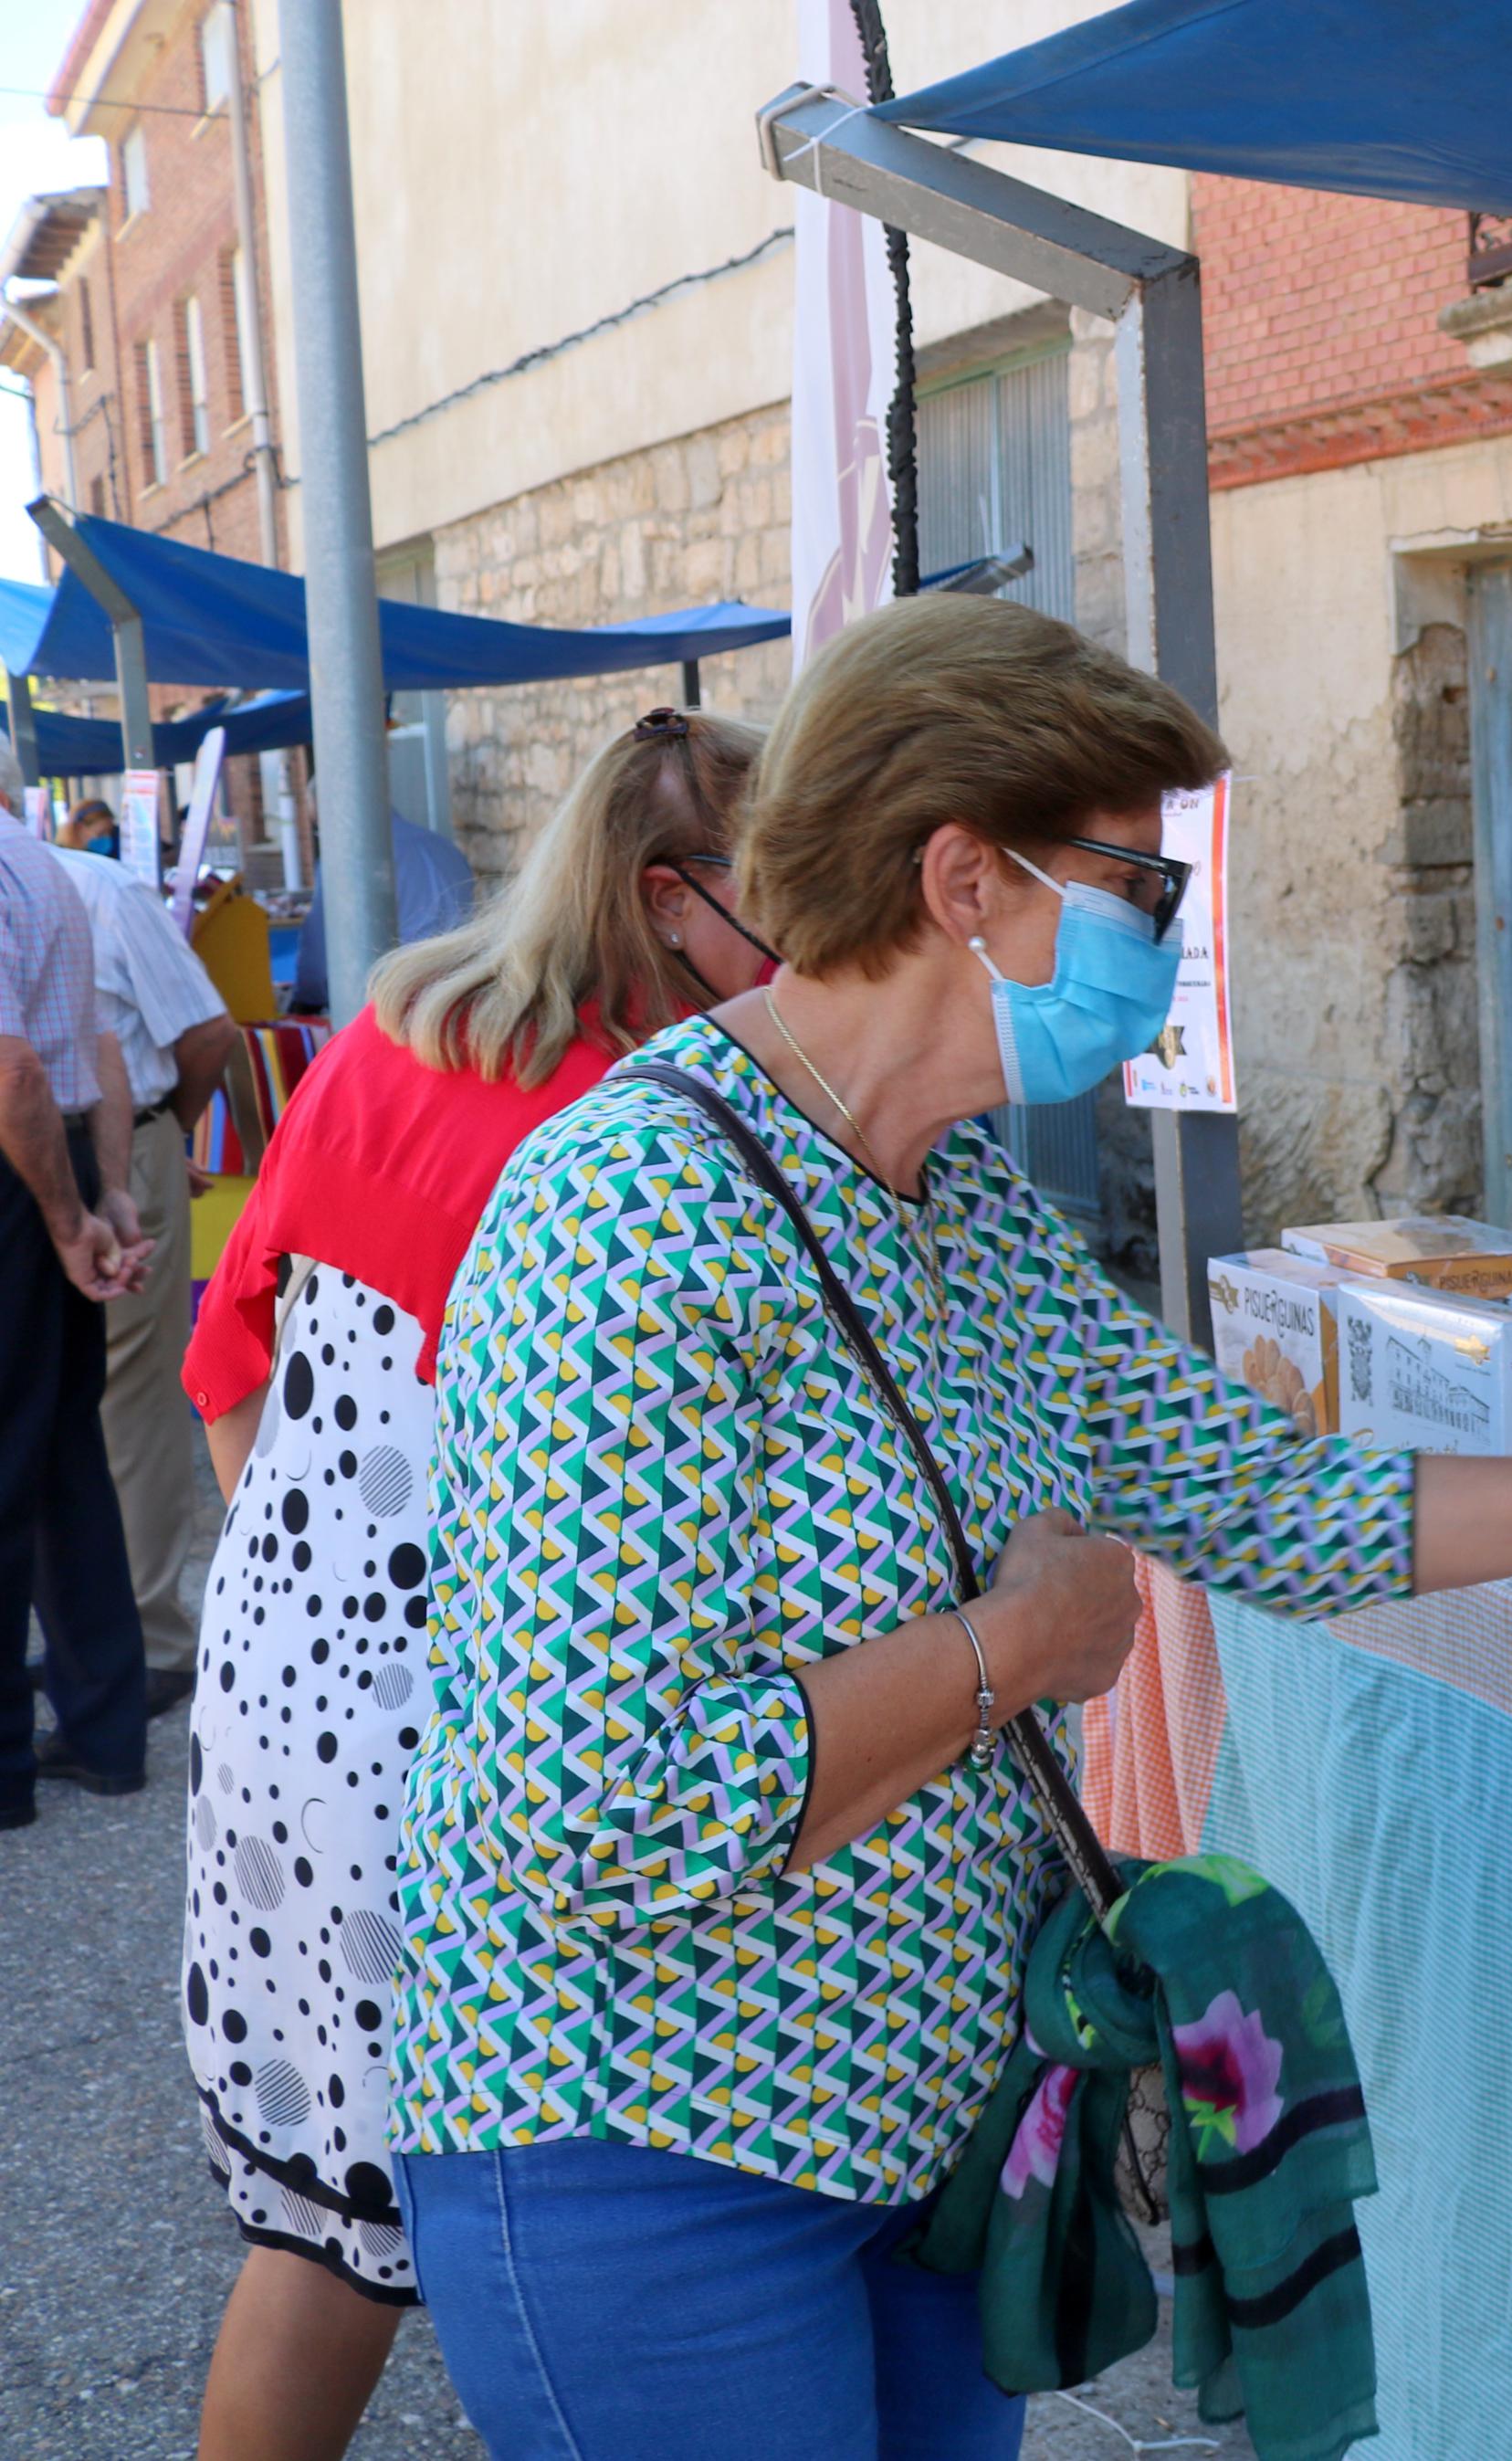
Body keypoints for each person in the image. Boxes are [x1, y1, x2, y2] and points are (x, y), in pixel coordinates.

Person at [383, 595, 1512, 2461]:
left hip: (924, 2143)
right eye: (1135, 887)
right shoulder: (627, 1212)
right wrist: (1006, 1654)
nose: (1170, 942)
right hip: (648, 2157)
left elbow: (1268, 1495)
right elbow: (596, 1808)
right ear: (963, 876)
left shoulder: (950, 1191)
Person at [176, 710, 776, 2461]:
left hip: (282, 1686)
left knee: (319, 2228)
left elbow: (231, 1360)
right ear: (673, 903)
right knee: (490, 2238)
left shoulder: (392, 1026)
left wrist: (314, 1607)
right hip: (451, 1740)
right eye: (783, 888)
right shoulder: (645, 1128)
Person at [53, 836, 243, 1719]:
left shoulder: (102, 888)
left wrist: (171, 1132)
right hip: (71, 1143)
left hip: (122, 1140)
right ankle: (95, 1636)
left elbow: (208, 1032)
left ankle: (150, 1637)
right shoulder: (80, 886)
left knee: (129, 1399)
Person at [0, 819, 154, 1830]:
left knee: (22, 1460)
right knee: (60, 1458)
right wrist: (102, 1192)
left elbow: (12, 1070)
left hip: (17, 1171)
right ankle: (104, 1729)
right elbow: (90, 1045)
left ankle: (7, 1763)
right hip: (43, 1160)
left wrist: (69, 1218)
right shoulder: (35, 857)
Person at [289, 808, 476, 1014]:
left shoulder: (346, 857)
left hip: (395, 999)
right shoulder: (441, 846)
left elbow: (319, 940)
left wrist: (305, 1002)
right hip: (457, 991)